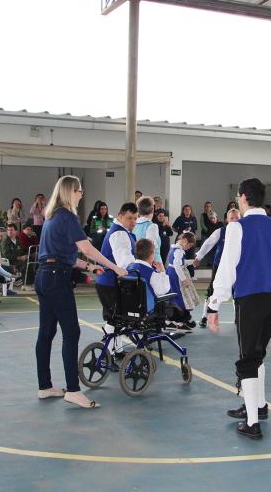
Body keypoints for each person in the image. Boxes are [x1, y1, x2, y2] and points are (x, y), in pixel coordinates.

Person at [207, 178, 271, 440]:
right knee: (257, 354)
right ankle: (258, 405)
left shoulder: (237, 228)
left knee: (247, 359)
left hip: (251, 298)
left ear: (243, 197)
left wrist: (214, 303)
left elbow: (227, 268)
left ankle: (252, 423)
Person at [34, 175, 127, 409]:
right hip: (57, 279)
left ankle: (45, 386)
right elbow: (86, 248)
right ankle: (73, 390)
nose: (81, 194)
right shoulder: (67, 216)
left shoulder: (51, 217)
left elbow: (64, 255)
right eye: (79, 191)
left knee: (46, 333)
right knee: (71, 332)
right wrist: (114, 266)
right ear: (70, 192)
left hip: (45, 276)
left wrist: (88, 266)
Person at [95, 201, 138, 355]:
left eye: (135, 218)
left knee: (118, 319)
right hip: (109, 283)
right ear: (120, 217)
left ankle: (115, 350)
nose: (133, 221)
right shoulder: (119, 234)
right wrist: (140, 268)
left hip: (109, 282)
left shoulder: (122, 231)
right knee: (115, 319)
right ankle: (107, 352)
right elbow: (124, 262)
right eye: (129, 218)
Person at [193, 208, 240, 328]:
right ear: (226, 220)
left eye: (237, 218)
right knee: (212, 290)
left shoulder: (244, 232)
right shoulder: (220, 231)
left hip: (237, 266)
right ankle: (204, 316)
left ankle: (237, 318)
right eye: (232, 218)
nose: (234, 220)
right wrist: (198, 257)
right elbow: (208, 243)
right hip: (219, 265)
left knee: (238, 291)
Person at [126, 239, 171, 312]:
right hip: (148, 309)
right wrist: (162, 272)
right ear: (151, 255)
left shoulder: (128, 268)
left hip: (130, 307)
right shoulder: (151, 273)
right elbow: (164, 290)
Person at [166, 232, 197, 328]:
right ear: (185, 240)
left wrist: (192, 262)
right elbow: (177, 265)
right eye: (190, 245)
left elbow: (181, 262)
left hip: (173, 274)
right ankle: (179, 320)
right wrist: (184, 279)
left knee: (175, 297)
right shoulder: (179, 251)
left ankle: (176, 320)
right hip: (176, 276)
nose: (189, 247)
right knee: (180, 298)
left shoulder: (176, 249)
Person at [133, 197, 162, 272]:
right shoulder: (152, 226)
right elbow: (151, 247)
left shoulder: (134, 224)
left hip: (136, 262)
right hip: (153, 263)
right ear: (152, 209)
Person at [172, 204, 197, 277]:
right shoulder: (180, 218)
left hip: (190, 241)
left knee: (191, 256)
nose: (187, 211)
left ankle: (191, 275)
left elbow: (195, 229)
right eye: (186, 209)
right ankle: (181, 275)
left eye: (189, 209)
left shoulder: (193, 218)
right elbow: (173, 227)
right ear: (183, 211)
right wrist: (181, 232)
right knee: (181, 257)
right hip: (182, 242)